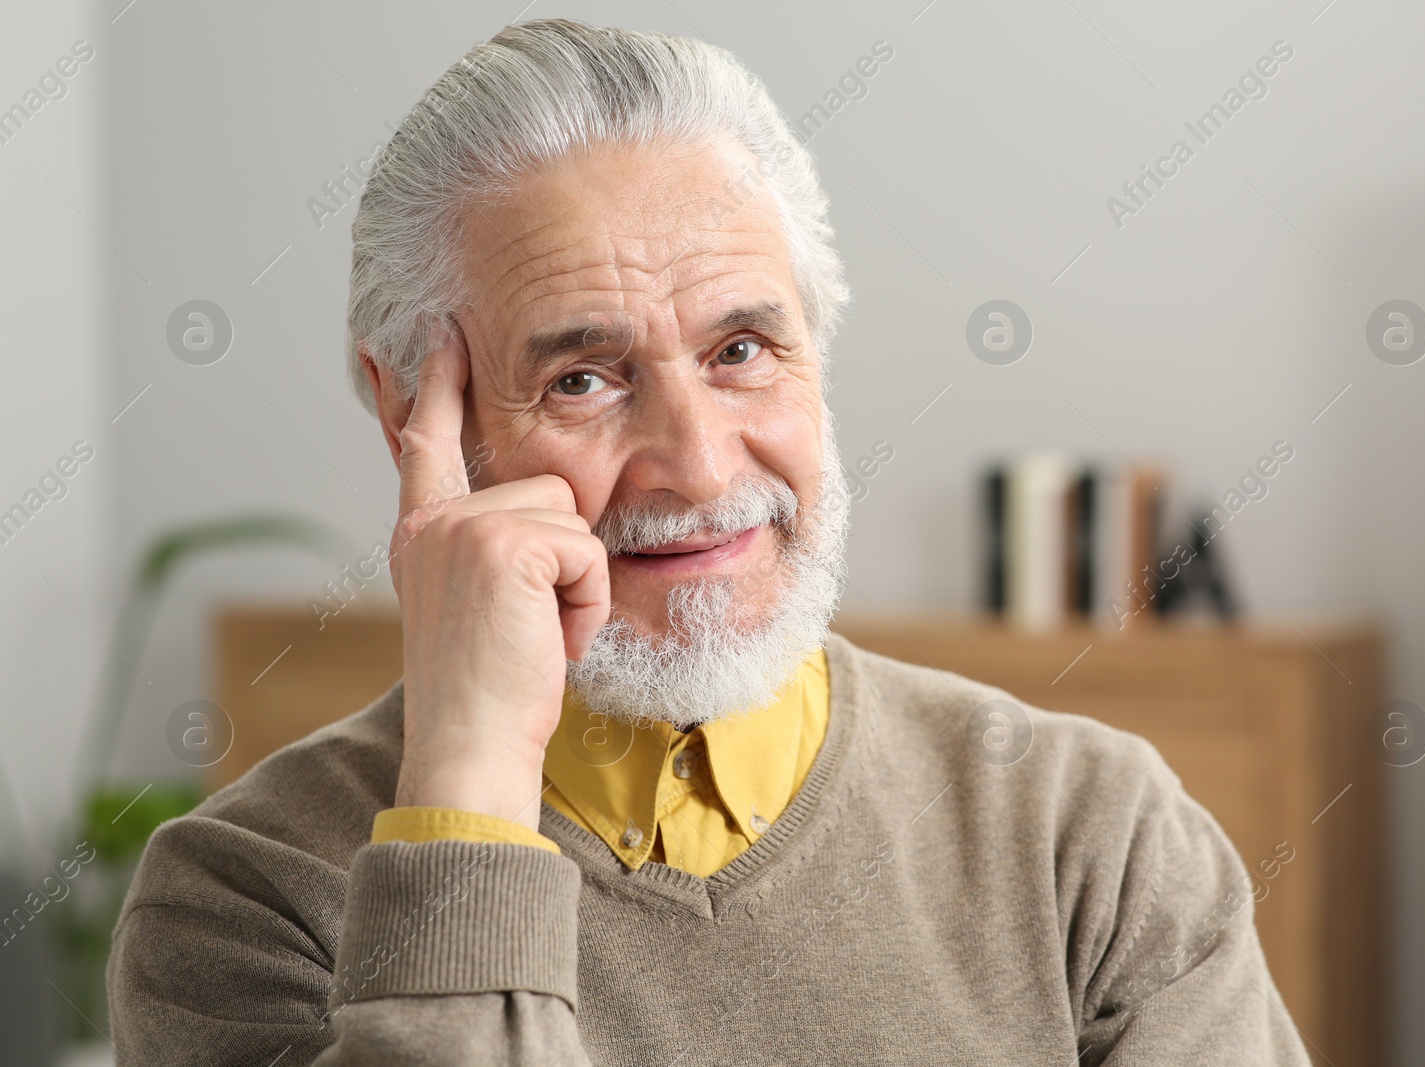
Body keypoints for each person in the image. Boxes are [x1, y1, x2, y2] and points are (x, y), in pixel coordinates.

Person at [107, 19, 1311, 1065]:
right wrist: (468, 793)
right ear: (409, 416)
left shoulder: (1090, 836)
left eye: (742, 351)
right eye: (581, 377)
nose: (698, 463)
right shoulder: (241, 902)